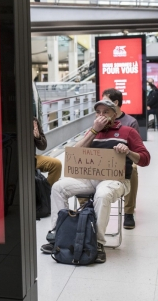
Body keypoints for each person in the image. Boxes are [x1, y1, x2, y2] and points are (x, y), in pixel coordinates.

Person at [41, 99, 150, 263]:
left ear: (115, 114)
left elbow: (145, 159)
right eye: (98, 112)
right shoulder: (92, 132)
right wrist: (93, 131)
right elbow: (74, 154)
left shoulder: (127, 132)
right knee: (58, 187)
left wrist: (128, 152)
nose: (101, 115)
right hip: (90, 178)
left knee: (102, 194)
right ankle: (59, 234)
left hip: (116, 180)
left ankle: (96, 242)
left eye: (105, 112)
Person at [101, 88, 139, 229]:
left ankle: (128, 212)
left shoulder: (130, 122)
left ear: (116, 103)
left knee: (133, 170)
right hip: (102, 162)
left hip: (123, 161)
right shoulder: (100, 121)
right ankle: (86, 208)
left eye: (106, 102)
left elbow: (136, 151)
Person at [33, 118, 62, 186]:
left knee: (56, 164)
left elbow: (43, 146)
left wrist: (38, 137)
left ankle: (47, 191)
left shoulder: (33, 121)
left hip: (32, 158)